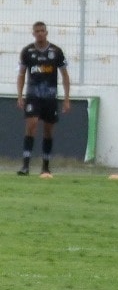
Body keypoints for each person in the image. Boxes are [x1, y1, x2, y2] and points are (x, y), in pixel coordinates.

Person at [16, 21, 72, 176]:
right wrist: (20, 96)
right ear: (33, 33)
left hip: (50, 97)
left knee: (48, 130)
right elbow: (21, 74)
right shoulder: (27, 51)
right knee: (32, 125)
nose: (40, 33)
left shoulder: (56, 51)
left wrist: (67, 98)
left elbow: (65, 75)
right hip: (33, 96)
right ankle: (25, 165)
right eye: (37, 31)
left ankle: (45, 166)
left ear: (46, 33)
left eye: (42, 30)